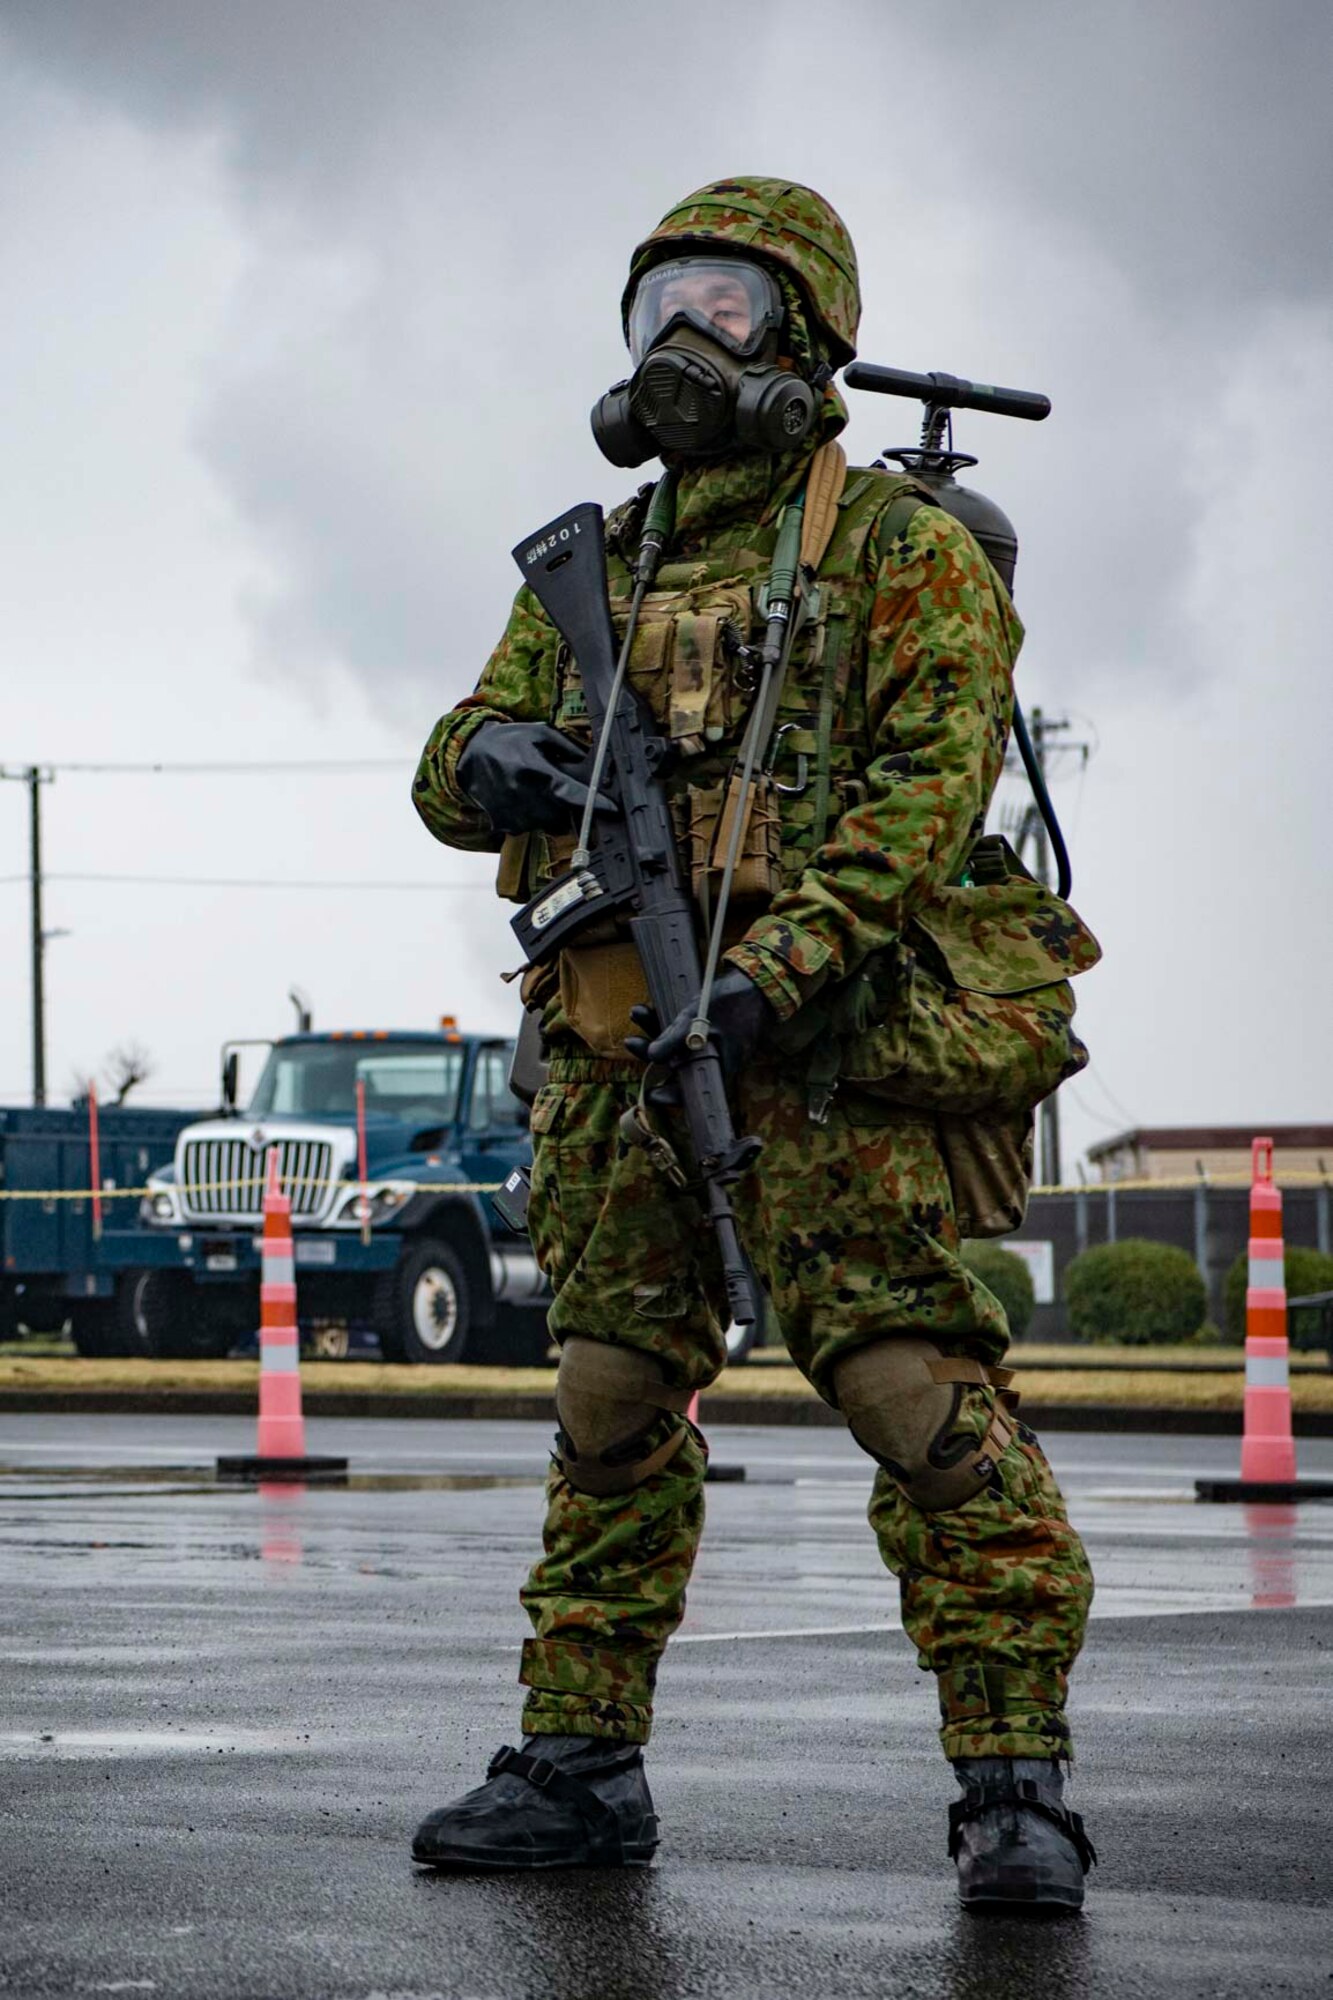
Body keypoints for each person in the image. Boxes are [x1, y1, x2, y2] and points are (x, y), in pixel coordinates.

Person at [410, 178, 1099, 1909]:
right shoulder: (595, 556)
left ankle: (1012, 1787)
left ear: (803, 335)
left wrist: (775, 970)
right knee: (610, 1398)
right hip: (613, 1052)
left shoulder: (897, 549)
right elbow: (448, 758)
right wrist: (492, 754)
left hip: (828, 1057)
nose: (674, 342)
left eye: (715, 302)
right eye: (651, 307)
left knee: (910, 1396)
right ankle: (577, 1765)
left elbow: (924, 799)